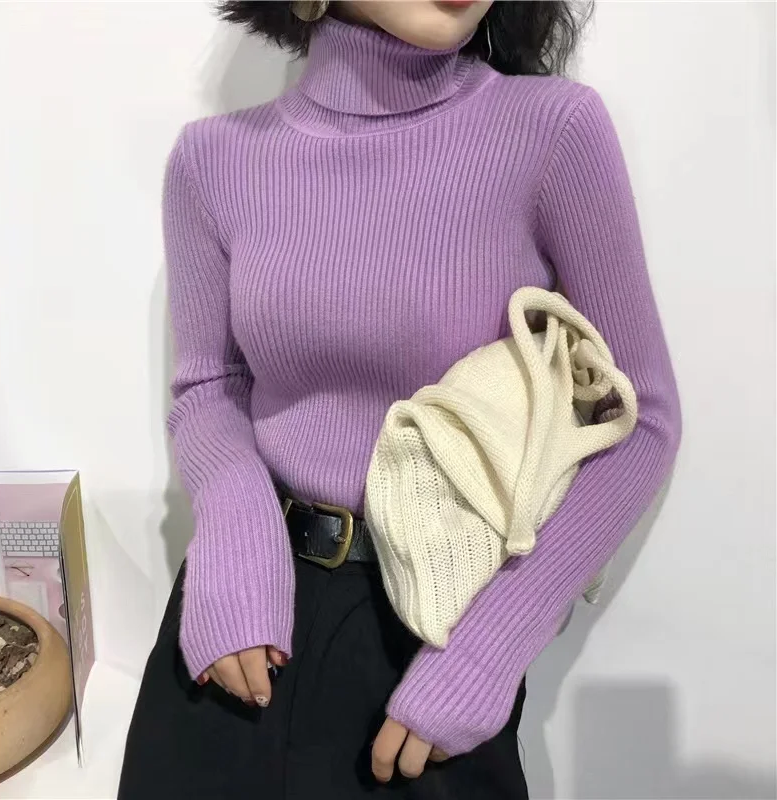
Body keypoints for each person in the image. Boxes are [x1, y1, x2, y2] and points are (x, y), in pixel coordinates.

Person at [118, 1, 681, 797]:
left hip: (434, 638)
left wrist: (489, 648)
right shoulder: (214, 160)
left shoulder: (552, 131)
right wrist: (235, 525)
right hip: (240, 617)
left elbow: (641, 416)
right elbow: (210, 384)